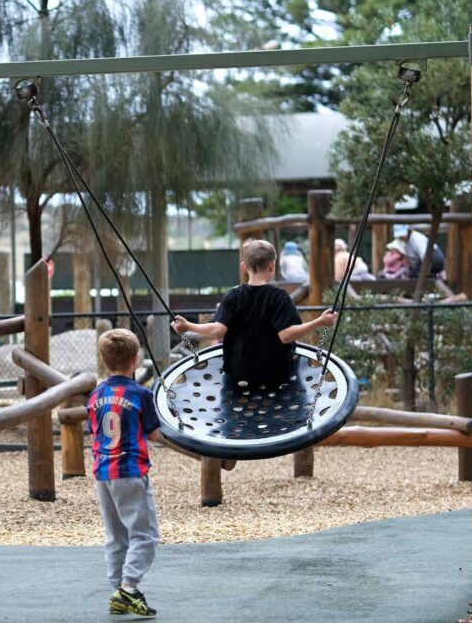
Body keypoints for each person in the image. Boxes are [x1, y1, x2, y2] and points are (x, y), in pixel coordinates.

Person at [171, 240, 336, 388]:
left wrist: (187, 326)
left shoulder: (233, 296)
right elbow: (287, 336)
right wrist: (320, 321)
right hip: (277, 374)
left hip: (239, 375)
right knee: (293, 355)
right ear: (272, 266)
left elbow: (217, 331)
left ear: (244, 267)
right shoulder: (280, 297)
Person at [91, 328, 162, 617]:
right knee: (145, 534)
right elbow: (154, 434)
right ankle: (129, 588)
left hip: (104, 472)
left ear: (103, 360)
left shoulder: (96, 395)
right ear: (136, 359)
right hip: (130, 471)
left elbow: (95, 431)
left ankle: (116, 589)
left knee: (116, 534)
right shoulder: (140, 394)